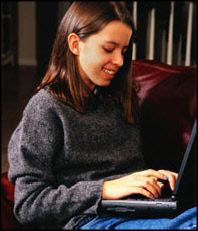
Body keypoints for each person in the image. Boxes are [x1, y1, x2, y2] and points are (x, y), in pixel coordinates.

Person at [8, 2, 196, 230]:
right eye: (109, 49)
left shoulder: (121, 99)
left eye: (124, 51)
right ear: (75, 44)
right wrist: (105, 189)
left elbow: (126, 171)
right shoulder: (45, 109)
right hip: (91, 218)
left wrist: (153, 179)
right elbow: (29, 205)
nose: (119, 61)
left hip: (140, 208)